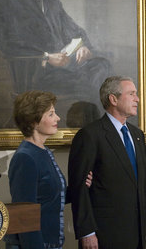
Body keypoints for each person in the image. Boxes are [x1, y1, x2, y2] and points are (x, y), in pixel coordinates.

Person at [0, 0, 111, 108]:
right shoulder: (5, 0)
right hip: (33, 74)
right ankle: (93, 123)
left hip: (65, 68)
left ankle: (91, 120)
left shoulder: (52, 1)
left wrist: (83, 46)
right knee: (93, 85)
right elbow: (8, 45)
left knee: (102, 65)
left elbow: (76, 31)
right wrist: (46, 57)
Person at [68, 76, 146, 248]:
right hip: (104, 233)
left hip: (136, 230)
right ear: (113, 99)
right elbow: (79, 187)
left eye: (136, 94)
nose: (137, 99)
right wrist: (87, 231)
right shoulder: (90, 135)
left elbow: (143, 183)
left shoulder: (137, 135)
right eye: (131, 94)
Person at [6, 90, 92, 249]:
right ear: (33, 121)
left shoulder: (42, 151)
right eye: (51, 114)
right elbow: (24, 215)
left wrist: (81, 186)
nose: (58, 118)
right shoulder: (26, 157)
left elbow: (51, 196)